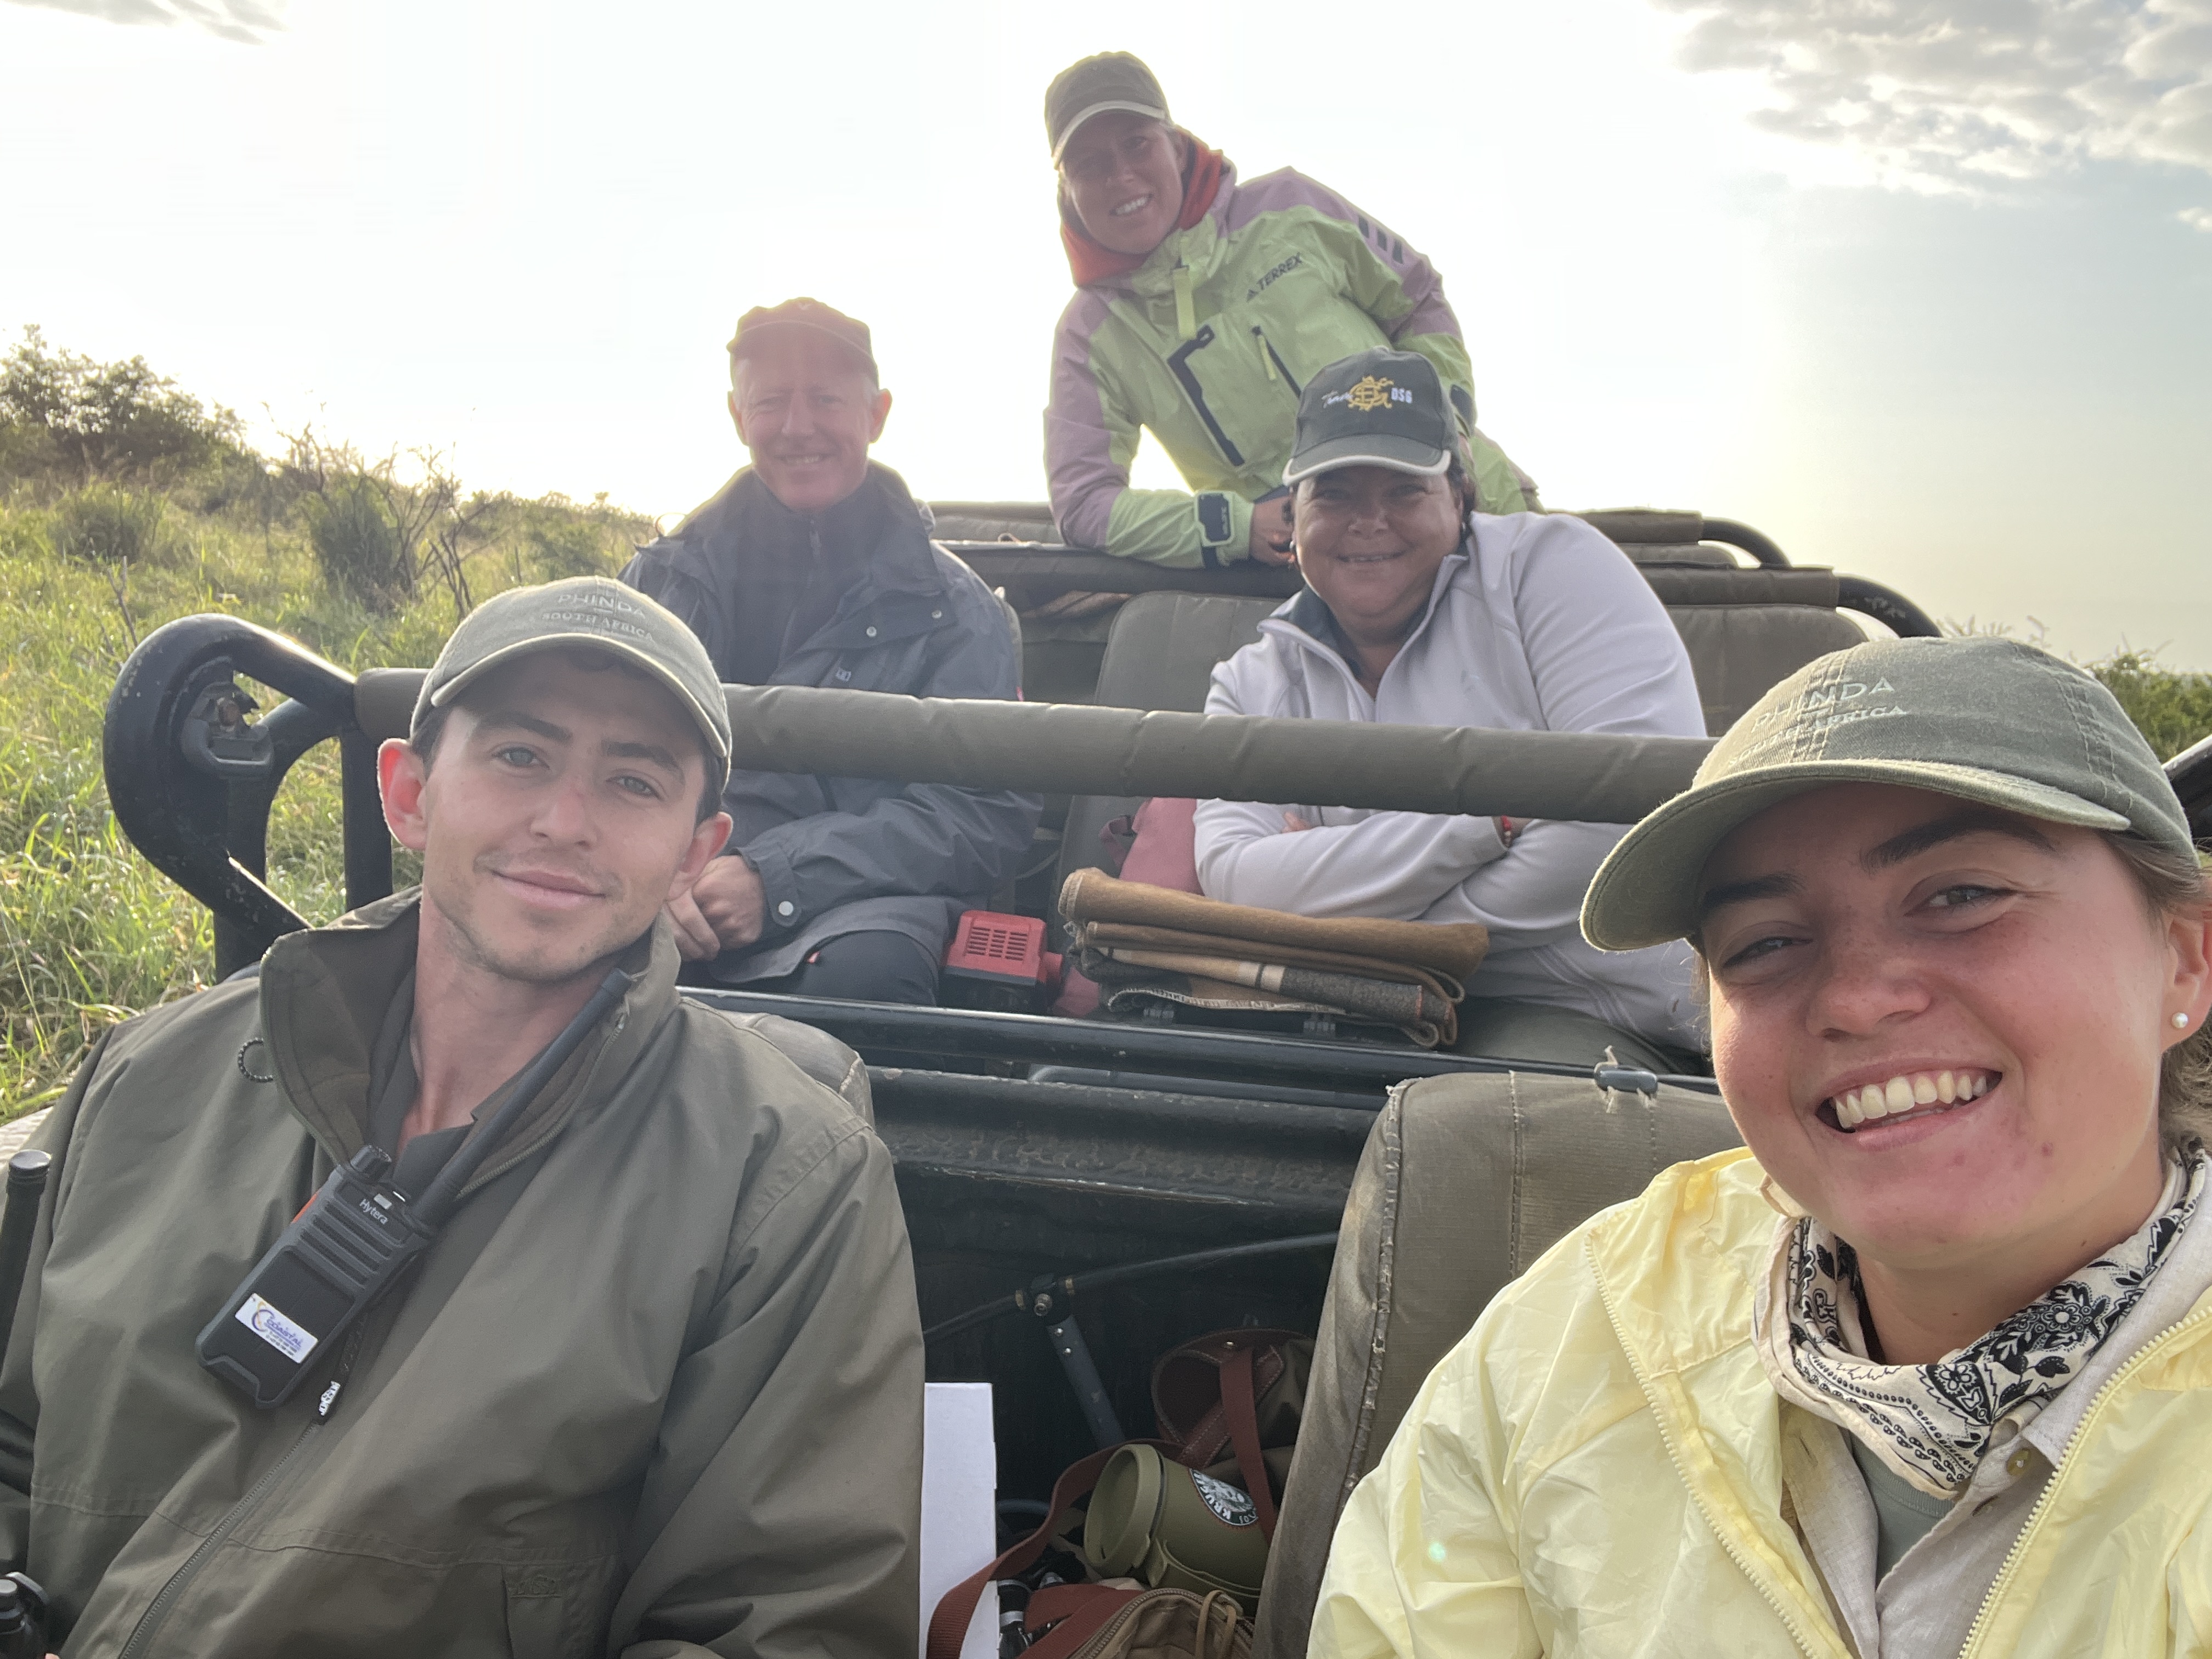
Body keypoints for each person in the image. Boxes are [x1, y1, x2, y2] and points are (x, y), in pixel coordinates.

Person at [0, 578, 923, 1657]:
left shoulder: (785, 1183)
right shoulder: (151, 1074)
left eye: (633, 780)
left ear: (693, 849)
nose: (564, 822)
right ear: (410, 791)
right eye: (520, 756)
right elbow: (19, 1440)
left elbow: (779, 1627)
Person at [1311, 635, 2212, 1657]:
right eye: (1766, 943)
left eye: (1960, 894)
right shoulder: (1580, 1331)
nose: (1857, 996)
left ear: (2184, 956)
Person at [1192, 348, 1705, 1071]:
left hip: (1636, 1020)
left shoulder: (1553, 568)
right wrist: (1487, 827)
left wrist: (1351, 928)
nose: (1368, 522)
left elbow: (1619, 830)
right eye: (1334, 493)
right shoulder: (1249, 681)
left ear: (1459, 496)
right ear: (1292, 513)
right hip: (1369, 1019)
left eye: (1404, 489)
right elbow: (1237, 880)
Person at [623, 297, 1040, 1005]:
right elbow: (600, 758)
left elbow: (983, 815)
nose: (798, 427)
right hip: (662, 878)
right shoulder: (657, 583)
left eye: (824, 399)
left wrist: (776, 881)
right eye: (773, 401)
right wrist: (658, 873)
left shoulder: (963, 611)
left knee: (869, 975)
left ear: (876, 414)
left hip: (855, 900)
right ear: (736, 415)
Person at [1042, 50, 1538, 570]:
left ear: (1177, 146)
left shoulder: (1292, 206)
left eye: (1136, 143)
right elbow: (1083, 501)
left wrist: (1449, 422)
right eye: (1089, 163)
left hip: (1492, 522)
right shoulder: (1087, 337)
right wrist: (1229, 527)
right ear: (1067, 191)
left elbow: (1417, 297)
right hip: (1338, 585)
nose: (1120, 175)